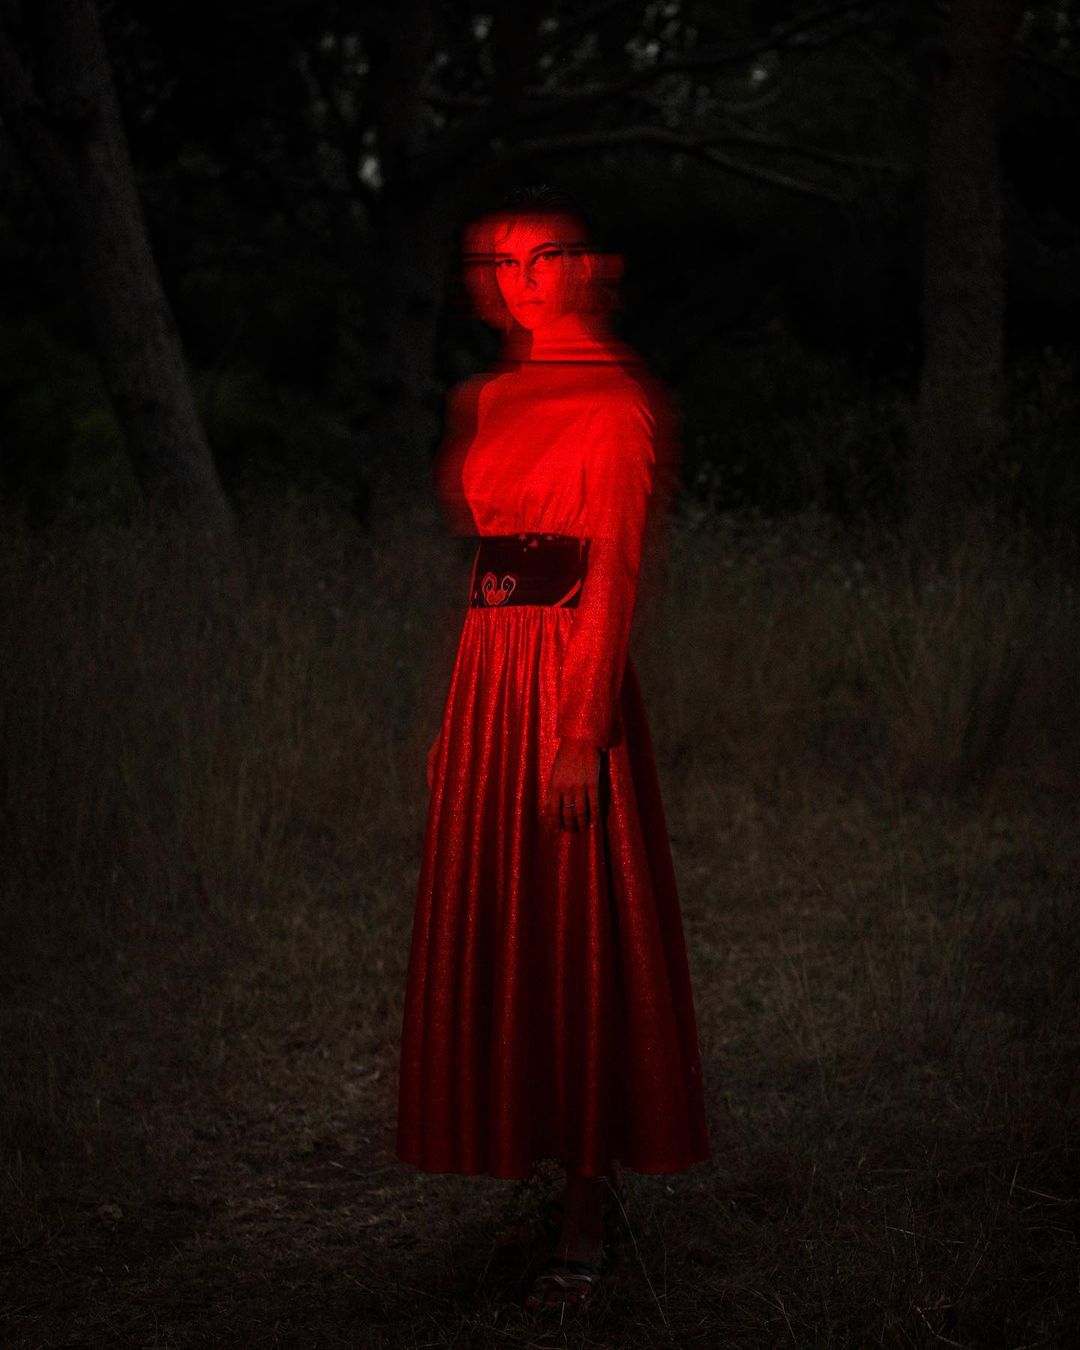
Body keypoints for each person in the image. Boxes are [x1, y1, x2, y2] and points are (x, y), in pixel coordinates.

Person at [395, 185, 710, 1313]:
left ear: (583, 267)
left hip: (568, 673)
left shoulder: (616, 402)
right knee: (505, 919)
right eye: (496, 263)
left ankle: (585, 1203)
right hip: (490, 675)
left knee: (580, 921)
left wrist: (581, 729)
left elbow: (611, 568)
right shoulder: (484, 397)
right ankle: (529, 1155)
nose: (515, 281)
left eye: (538, 259)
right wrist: (456, 728)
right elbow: (488, 577)